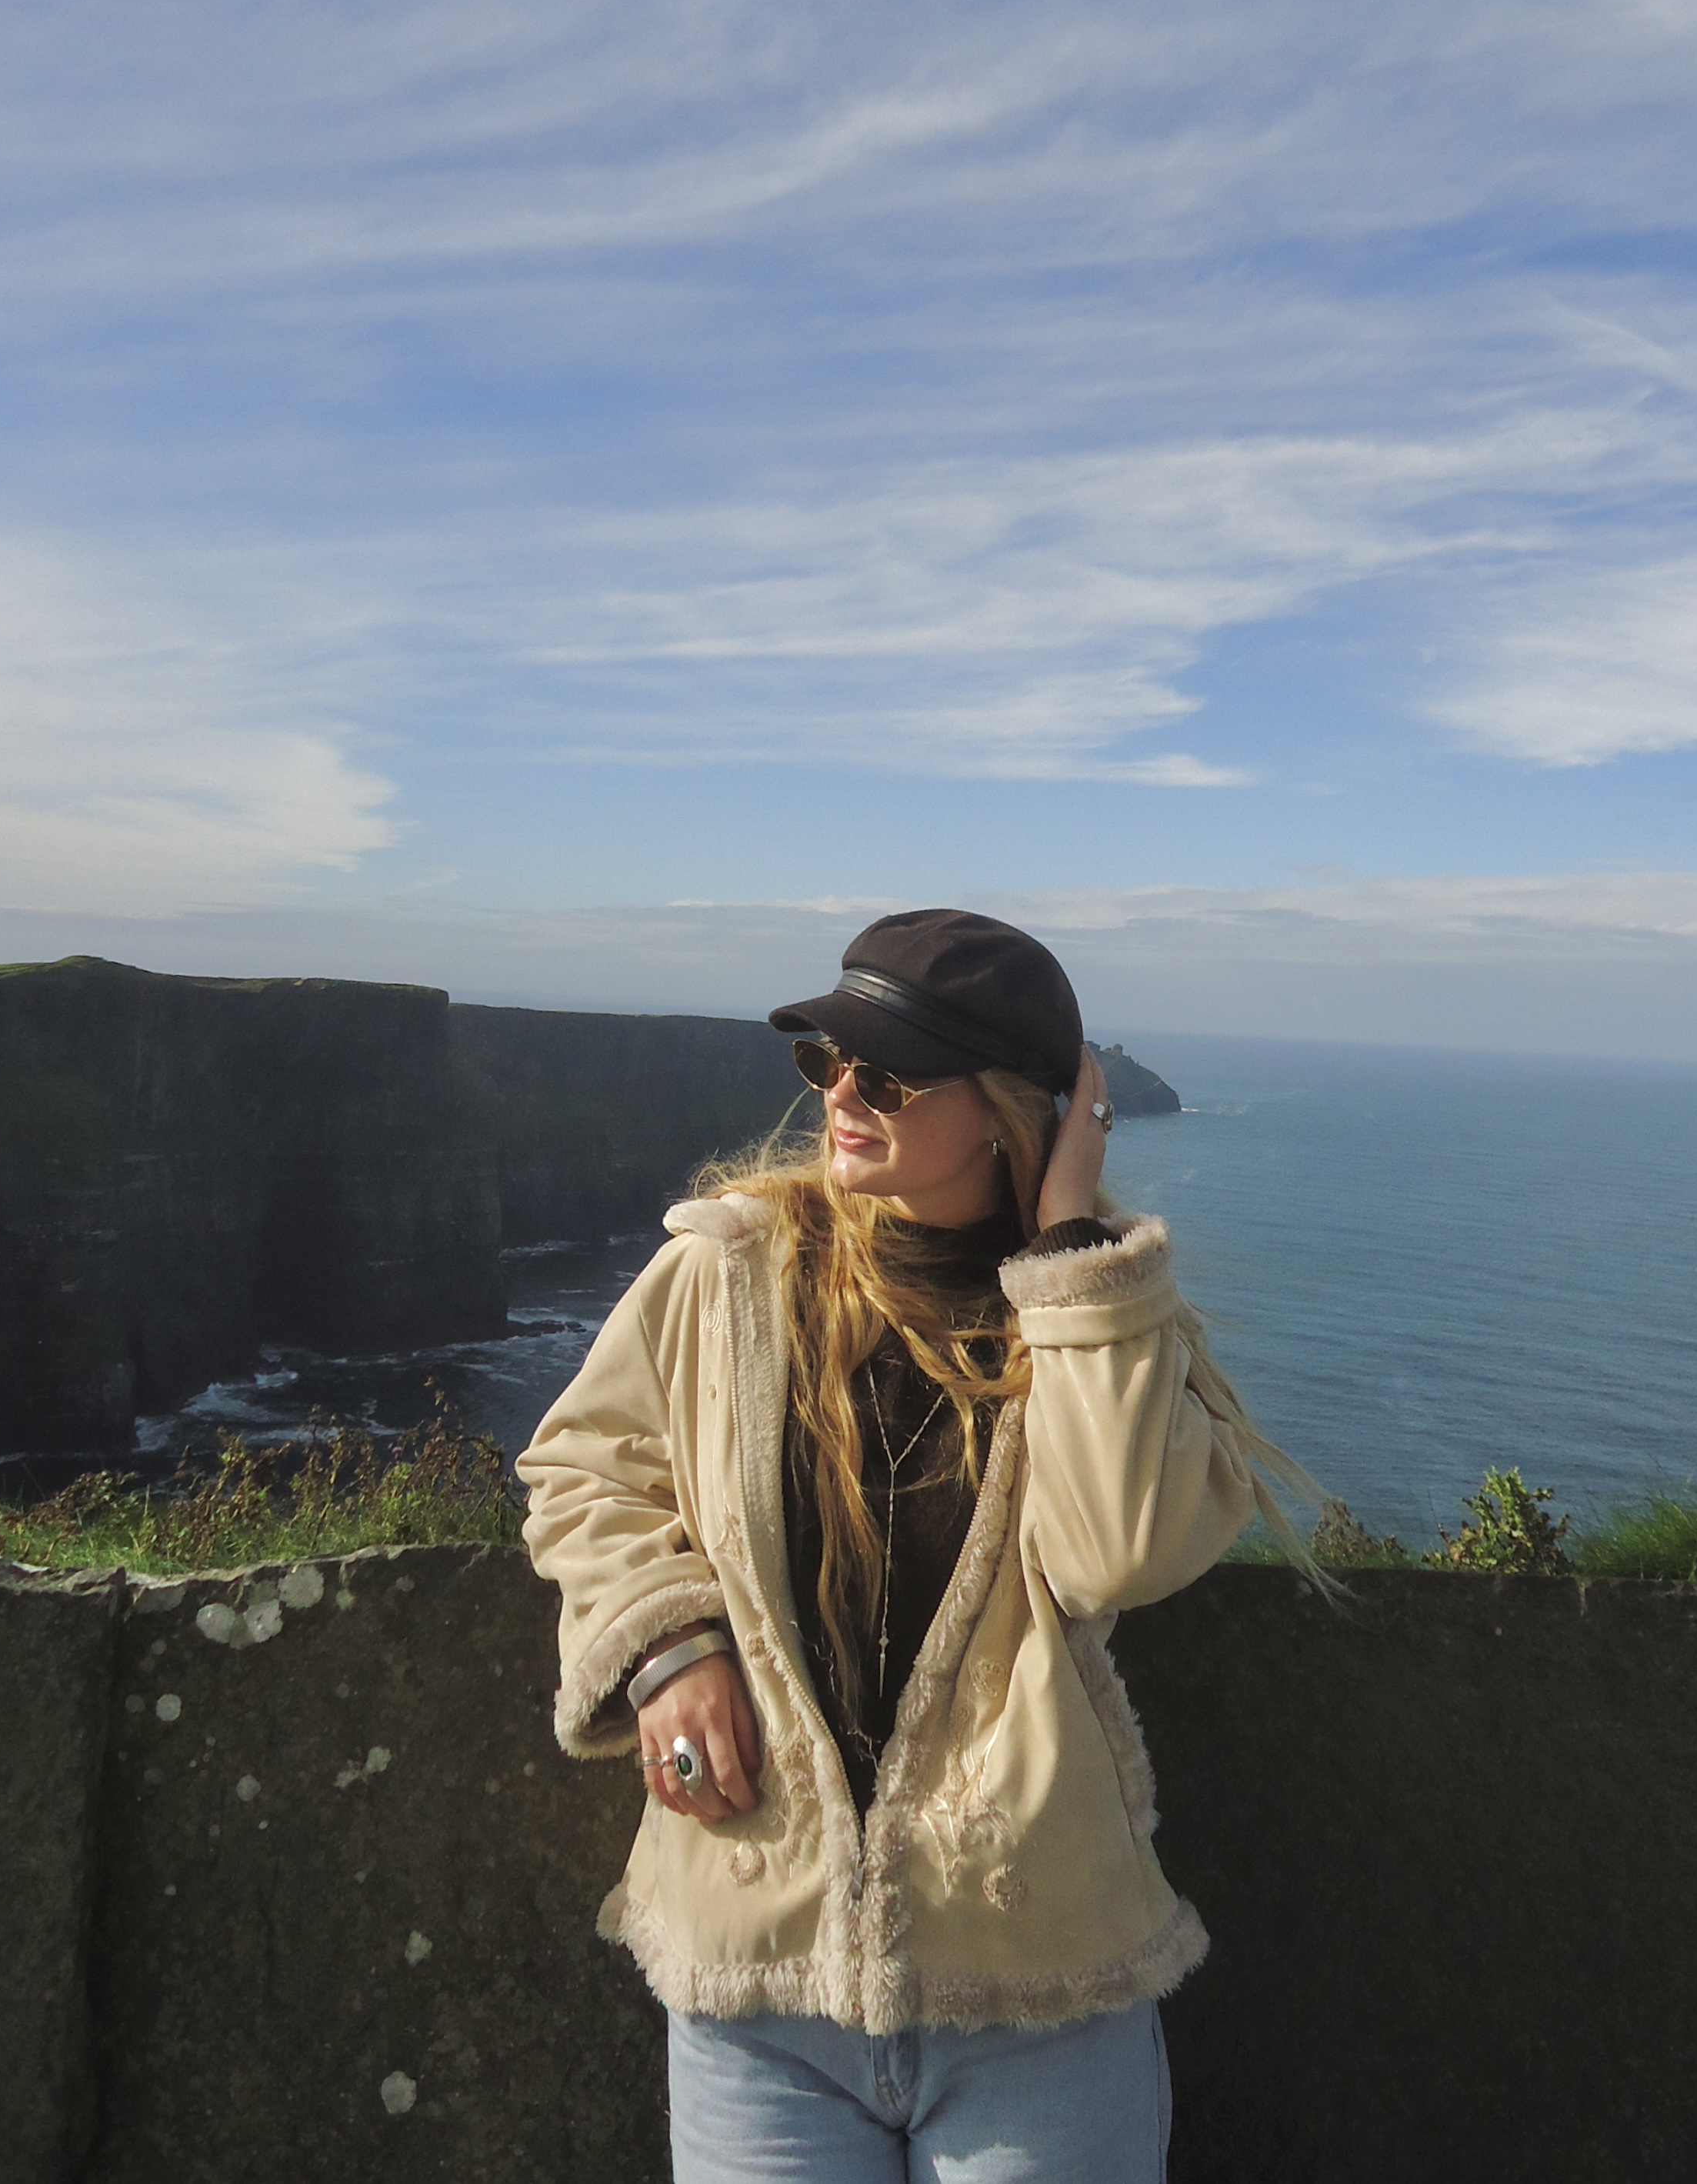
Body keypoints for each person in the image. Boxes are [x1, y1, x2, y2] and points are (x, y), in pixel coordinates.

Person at [516, 908, 1324, 2183]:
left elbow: (1116, 1553)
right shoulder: (727, 1273)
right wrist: (669, 1645)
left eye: (886, 1074)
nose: (840, 1093)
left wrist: (1067, 1252)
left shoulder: (1102, 1321)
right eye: (824, 1062)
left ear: (1012, 1110)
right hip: (756, 1981)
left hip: (1032, 1989)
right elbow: (583, 1472)